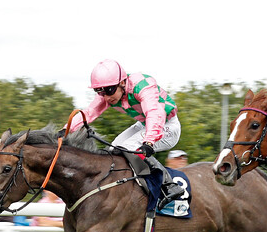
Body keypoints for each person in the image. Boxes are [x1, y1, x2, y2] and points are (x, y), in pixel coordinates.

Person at [68, 59, 184, 207]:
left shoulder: (142, 85)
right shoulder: (110, 91)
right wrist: (66, 130)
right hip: (144, 124)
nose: (106, 97)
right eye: (99, 92)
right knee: (113, 148)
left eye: (109, 90)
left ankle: (169, 185)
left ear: (122, 82)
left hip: (167, 125)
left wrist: (149, 142)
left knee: (128, 146)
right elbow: (89, 113)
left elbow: (155, 113)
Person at [165, 149, 189, 232]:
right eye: (177, 158)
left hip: (188, 217)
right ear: (170, 161)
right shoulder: (164, 174)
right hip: (171, 216)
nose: (181, 161)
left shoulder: (189, 176)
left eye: (183, 158)